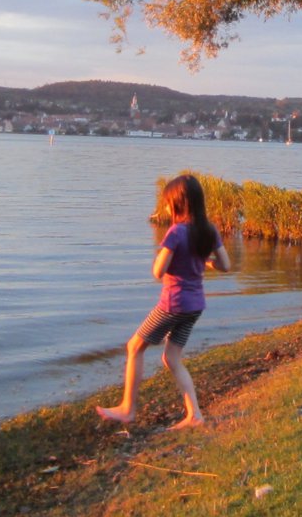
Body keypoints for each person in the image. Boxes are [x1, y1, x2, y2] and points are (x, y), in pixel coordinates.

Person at [96, 173, 232, 429]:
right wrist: (205, 263)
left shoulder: (176, 232)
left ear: (178, 204)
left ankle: (128, 409)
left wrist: (165, 258)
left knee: (135, 346)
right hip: (195, 306)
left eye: (168, 203)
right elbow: (226, 264)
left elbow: (159, 271)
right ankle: (194, 415)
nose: (166, 207)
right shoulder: (209, 229)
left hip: (173, 304)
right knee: (171, 357)